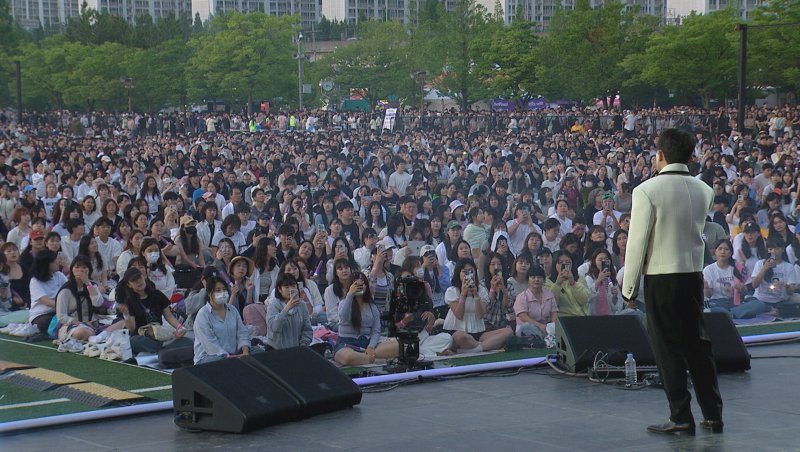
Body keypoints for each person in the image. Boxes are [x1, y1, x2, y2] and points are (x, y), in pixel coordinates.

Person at [622, 128, 723, 435]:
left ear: (660, 155)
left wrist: (629, 287)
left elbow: (637, 242)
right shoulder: (704, 189)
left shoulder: (646, 191)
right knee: (698, 346)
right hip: (693, 275)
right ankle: (713, 414)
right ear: (691, 155)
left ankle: (680, 415)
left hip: (661, 277)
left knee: (668, 350)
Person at [115, 267, 191, 355]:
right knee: (133, 341)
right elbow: (132, 328)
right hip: (142, 337)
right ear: (129, 285)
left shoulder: (157, 294)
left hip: (159, 334)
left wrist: (179, 327)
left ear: (144, 277)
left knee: (187, 341)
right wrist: (126, 314)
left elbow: (169, 317)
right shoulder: (129, 301)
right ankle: (164, 349)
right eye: (134, 280)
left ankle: (162, 349)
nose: (138, 281)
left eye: (139, 278)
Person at [193, 275, 251, 364]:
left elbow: (242, 332)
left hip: (233, 354)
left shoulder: (232, 310)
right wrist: (228, 357)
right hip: (210, 357)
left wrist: (245, 351)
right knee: (222, 361)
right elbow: (210, 344)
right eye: (218, 290)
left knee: (258, 351)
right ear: (209, 294)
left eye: (224, 289)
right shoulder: (203, 314)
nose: (223, 293)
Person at [55, 255, 106, 342]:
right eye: (77, 267)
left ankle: (96, 336)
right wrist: (79, 323)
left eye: (84, 267)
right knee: (82, 332)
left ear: (89, 270)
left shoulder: (92, 285)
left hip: (92, 322)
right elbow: (61, 316)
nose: (80, 270)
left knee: (120, 323)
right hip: (72, 325)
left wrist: (87, 282)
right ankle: (96, 336)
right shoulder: (66, 290)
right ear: (72, 270)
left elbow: (98, 303)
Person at [266, 273, 313, 350]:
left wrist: (303, 345)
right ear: (279, 289)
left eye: (293, 286)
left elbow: (307, 329)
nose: (290, 289)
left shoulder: (302, 305)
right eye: (286, 287)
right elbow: (274, 328)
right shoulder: (273, 305)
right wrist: (286, 309)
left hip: (297, 349)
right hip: (276, 350)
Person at [28, 250, 68, 335]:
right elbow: (46, 301)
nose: (58, 262)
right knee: (51, 321)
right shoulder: (35, 281)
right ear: (46, 264)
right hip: (41, 315)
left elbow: (70, 289)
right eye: (54, 261)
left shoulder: (59, 275)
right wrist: (66, 306)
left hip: (58, 312)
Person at [513, 265, 557, 338]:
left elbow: (554, 314)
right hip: (528, 328)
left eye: (539, 277)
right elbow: (523, 317)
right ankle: (546, 338)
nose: (536, 279)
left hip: (546, 328)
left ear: (544, 280)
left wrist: (552, 326)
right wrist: (540, 326)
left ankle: (547, 338)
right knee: (527, 328)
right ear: (528, 280)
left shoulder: (550, 295)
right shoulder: (522, 297)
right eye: (533, 277)